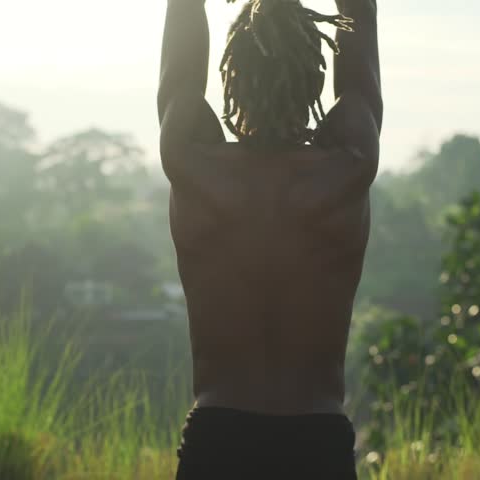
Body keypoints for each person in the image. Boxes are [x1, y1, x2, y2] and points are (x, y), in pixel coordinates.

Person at [157, 0, 381, 477]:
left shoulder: (192, 165)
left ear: (231, 77)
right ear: (315, 79)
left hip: (217, 443)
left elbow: (180, 72)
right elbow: (360, 14)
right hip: (317, 443)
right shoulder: (349, 165)